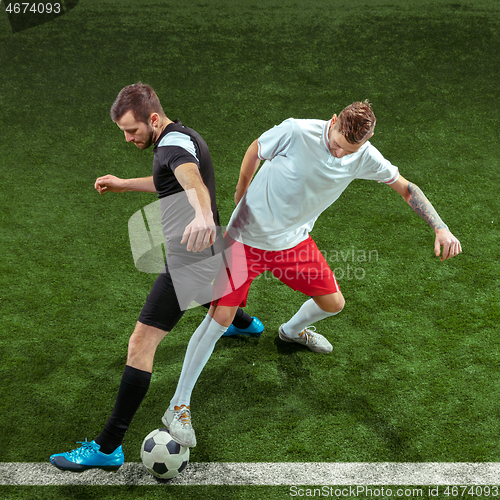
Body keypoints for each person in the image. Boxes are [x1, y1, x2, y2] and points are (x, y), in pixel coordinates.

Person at [162, 100, 462, 448]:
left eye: (347, 151)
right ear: (333, 121)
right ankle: (178, 405)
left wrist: (440, 228)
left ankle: (291, 331)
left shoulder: (364, 156)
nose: (337, 154)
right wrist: (242, 189)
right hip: (246, 237)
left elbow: (407, 189)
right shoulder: (295, 130)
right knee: (220, 318)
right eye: (335, 144)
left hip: (293, 242)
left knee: (333, 302)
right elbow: (256, 149)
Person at [49, 82, 263, 472]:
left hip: (190, 261)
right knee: (214, 292)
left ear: (152, 118)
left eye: (132, 131)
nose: (129, 138)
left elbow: (190, 180)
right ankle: (242, 322)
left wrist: (200, 213)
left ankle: (108, 445)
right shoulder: (182, 134)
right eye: (123, 133)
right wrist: (124, 183)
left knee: (140, 344)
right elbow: (169, 181)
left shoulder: (171, 147)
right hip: (213, 255)